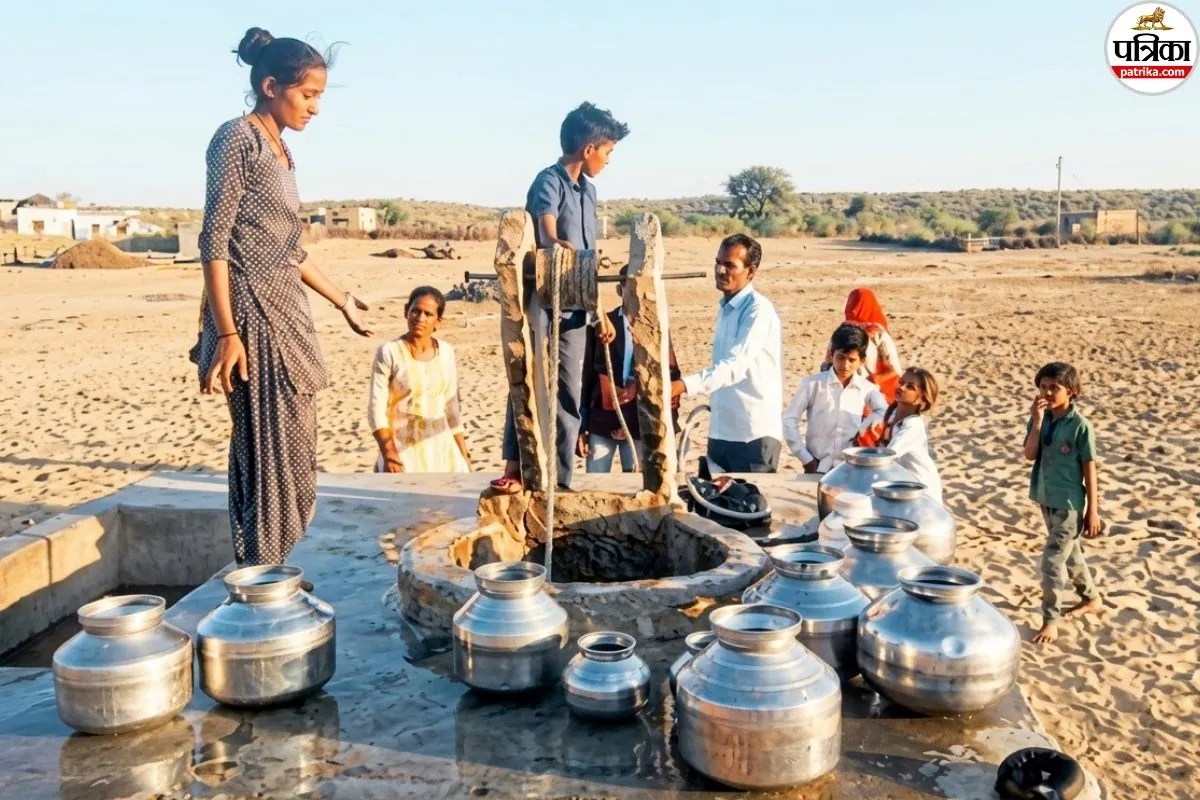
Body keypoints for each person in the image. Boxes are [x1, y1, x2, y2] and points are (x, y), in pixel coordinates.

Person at [193, 28, 371, 567]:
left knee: (296, 447)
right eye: (308, 94)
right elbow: (214, 241)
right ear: (271, 86)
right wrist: (226, 334)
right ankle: (263, 577)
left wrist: (341, 299)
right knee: (264, 451)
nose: (315, 107)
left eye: (319, 96)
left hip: (289, 313)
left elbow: (288, 248)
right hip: (250, 316)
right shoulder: (236, 139)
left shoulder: (282, 152)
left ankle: (277, 568)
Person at [491, 102, 629, 493]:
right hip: (545, 305)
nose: (608, 160)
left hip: (577, 310)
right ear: (589, 149)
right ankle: (515, 467)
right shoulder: (548, 181)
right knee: (528, 382)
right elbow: (547, 231)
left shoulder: (590, 192)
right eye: (608, 151)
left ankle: (560, 482)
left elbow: (588, 261)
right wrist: (556, 244)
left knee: (569, 395)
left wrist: (599, 312)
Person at [671, 234, 783, 473]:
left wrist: (682, 385)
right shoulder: (726, 308)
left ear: (751, 271)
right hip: (721, 432)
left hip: (753, 436)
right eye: (718, 262)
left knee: (748, 507)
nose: (720, 270)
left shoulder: (758, 310)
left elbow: (733, 367)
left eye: (730, 265)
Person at [1023, 361, 1103, 645]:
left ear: (1071, 391)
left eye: (1054, 388)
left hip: (1070, 504)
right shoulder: (1041, 420)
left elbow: (1089, 467)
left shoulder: (1080, 426)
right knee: (1070, 554)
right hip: (1046, 498)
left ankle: (1051, 619)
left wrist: (1092, 510)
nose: (1047, 392)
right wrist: (1036, 423)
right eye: (1043, 387)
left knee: (1052, 560)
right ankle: (1091, 598)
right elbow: (1030, 455)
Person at [577, 266, 681, 472]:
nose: (636, 294)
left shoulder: (657, 327)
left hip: (640, 424)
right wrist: (581, 427)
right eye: (630, 287)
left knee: (637, 484)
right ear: (620, 289)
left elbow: (670, 376)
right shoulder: (603, 324)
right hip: (602, 422)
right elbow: (586, 377)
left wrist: (668, 425)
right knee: (595, 484)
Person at [368, 286, 470, 473]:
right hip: (401, 449)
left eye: (428, 314)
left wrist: (463, 455)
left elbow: (451, 406)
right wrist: (389, 453)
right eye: (415, 311)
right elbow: (376, 410)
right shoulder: (389, 352)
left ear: (438, 321)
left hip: (442, 449)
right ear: (406, 311)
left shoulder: (446, 352)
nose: (420, 318)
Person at [783, 323, 887, 474]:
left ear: (861, 361)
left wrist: (865, 426)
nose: (845, 365)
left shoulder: (867, 389)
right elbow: (789, 420)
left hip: (851, 467)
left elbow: (884, 411)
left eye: (852, 360)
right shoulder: (813, 384)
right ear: (831, 355)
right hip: (817, 465)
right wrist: (806, 458)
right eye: (840, 358)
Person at [856, 366, 943, 501]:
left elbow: (888, 456)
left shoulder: (914, 425)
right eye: (901, 382)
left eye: (910, 387)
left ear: (921, 399)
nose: (901, 388)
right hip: (903, 484)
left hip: (922, 489)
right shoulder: (891, 414)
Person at [826, 287, 903, 403]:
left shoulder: (843, 333)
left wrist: (875, 379)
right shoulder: (876, 334)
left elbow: (895, 370)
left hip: (866, 395)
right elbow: (896, 369)